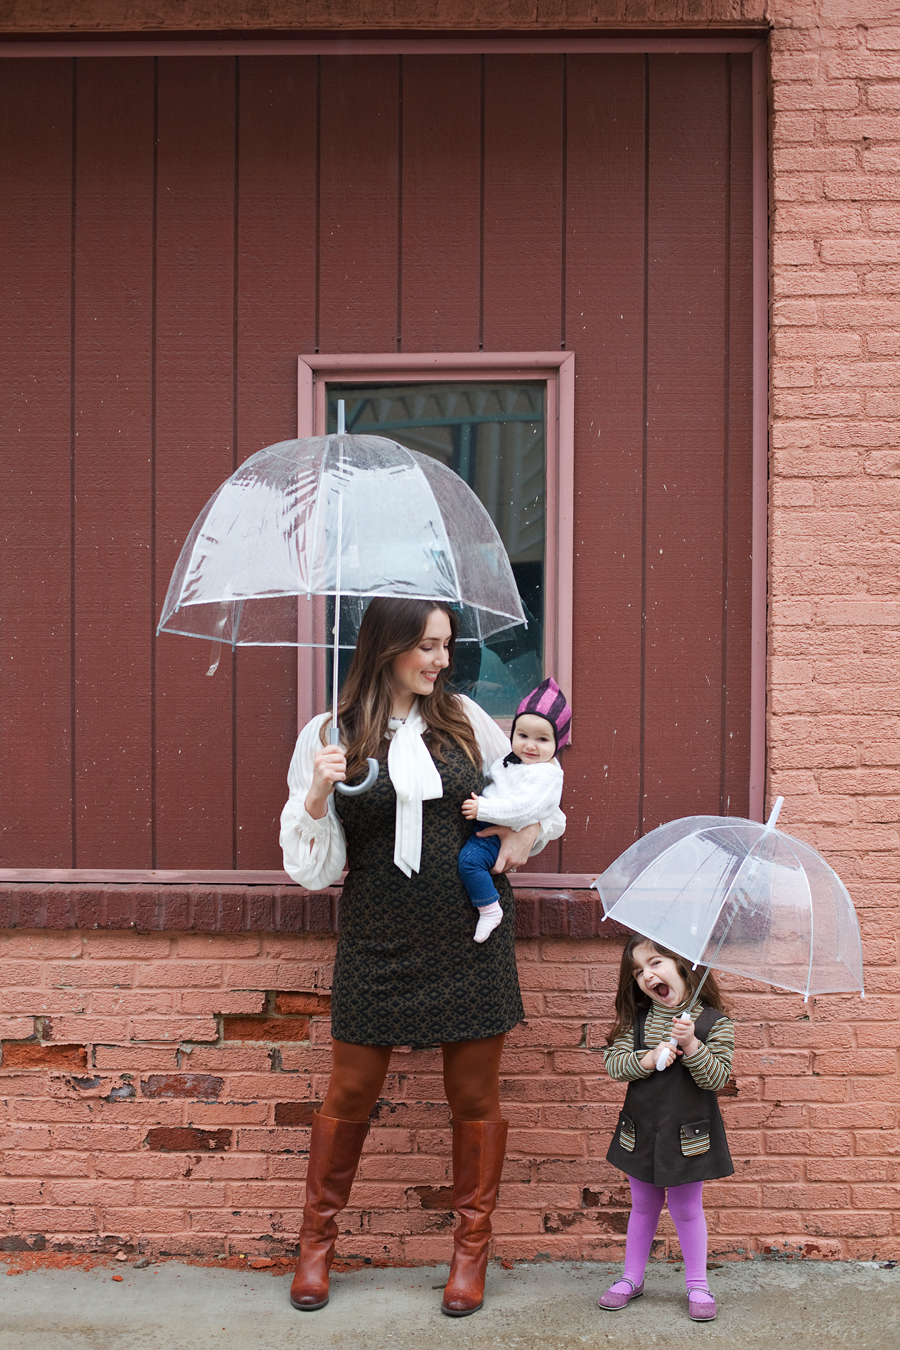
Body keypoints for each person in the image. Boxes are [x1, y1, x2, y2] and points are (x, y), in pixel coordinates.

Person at [279, 597, 565, 1318]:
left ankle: (471, 1252)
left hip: (470, 935)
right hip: (376, 936)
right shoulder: (330, 733)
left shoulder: (466, 718)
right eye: (429, 647)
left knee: (474, 1100)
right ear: (389, 647)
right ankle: (316, 1246)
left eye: (446, 646)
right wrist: (317, 791)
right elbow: (311, 869)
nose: (442, 661)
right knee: (349, 1094)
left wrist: (517, 844)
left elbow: (536, 802)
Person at [599, 935, 734, 1323]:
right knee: (643, 1205)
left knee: (686, 1208)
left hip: (688, 1134)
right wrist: (648, 1056)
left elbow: (716, 1078)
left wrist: (691, 1045)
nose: (647, 975)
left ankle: (697, 1284)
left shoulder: (714, 1023)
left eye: (656, 963)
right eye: (639, 971)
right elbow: (614, 1065)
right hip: (641, 1130)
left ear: (681, 965)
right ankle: (631, 1278)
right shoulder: (637, 1020)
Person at [458, 677, 570, 942]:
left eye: (542, 739)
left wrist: (482, 809)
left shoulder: (544, 774)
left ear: (559, 743)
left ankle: (489, 908)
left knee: (470, 862)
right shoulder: (511, 761)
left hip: (496, 830)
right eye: (522, 736)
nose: (530, 745)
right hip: (486, 823)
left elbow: (523, 809)